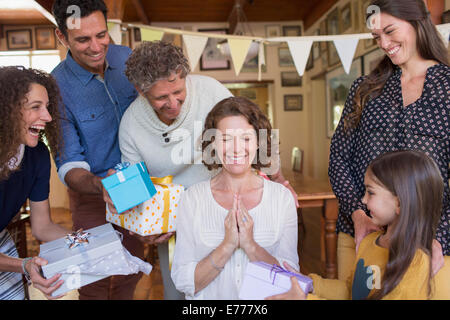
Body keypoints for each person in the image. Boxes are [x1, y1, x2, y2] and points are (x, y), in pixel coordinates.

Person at [117, 41, 298, 299]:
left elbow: (248, 126)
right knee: (178, 291)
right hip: (172, 220)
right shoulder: (131, 125)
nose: (173, 103)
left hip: (223, 199)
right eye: (161, 98)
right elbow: (133, 191)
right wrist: (143, 228)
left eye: (178, 91)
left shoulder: (210, 90)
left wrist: (279, 181)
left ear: (184, 76)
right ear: (140, 90)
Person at [328, 0, 449, 298]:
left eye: (390, 31)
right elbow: (339, 158)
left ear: (418, 21)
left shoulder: (448, 88)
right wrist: (358, 213)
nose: (384, 43)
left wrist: (439, 237)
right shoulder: (366, 89)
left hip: (432, 243)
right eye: (376, 37)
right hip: (362, 234)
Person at [51, 0, 142, 300]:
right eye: (82, 39)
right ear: (62, 37)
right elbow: (69, 164)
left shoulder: (127, 58)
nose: (95, 47)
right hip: (92, 190)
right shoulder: (56, 86)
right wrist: (102, 186)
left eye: (101, 35)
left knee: (131, 272)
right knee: (96, 278)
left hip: (139, 182)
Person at [269, 150, 447, 300]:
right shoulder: (369, 242)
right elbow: (351, 290)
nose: (363, 200)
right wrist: (308, 284)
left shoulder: (416, 263)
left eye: (370, 192)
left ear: (399, 203)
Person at [170, 96, 299, 299]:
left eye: (246, 138)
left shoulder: (282, 199)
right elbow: (184, 281)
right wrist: (227, 245)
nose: (237, 149)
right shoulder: (192, 199)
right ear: (212, 143)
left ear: (259, 142)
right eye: (226, 139)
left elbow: (291, 281)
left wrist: (250, 245)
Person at [0, 66, 71, 300]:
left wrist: (86, 243)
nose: (48, 117)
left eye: (47, 107)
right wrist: (25, 264)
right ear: (6, 110)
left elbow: (43, 227)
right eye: (35, 107)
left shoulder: (37, 155)